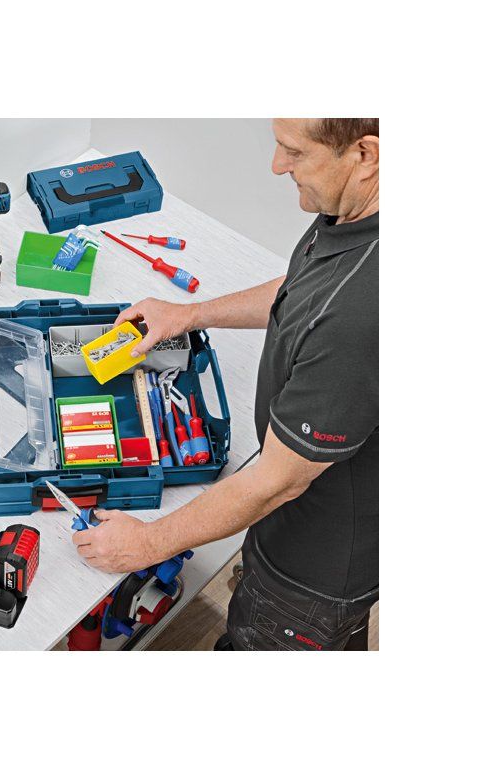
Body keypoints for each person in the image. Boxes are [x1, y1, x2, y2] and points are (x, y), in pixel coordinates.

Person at [73, 118, 379, 650]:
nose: (277, 166)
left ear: (364, 154)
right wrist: (189, 314)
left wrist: (148, 542)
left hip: (311, 573)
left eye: (294, 152)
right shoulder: (356, 212)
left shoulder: (364, 307)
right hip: (292, 517)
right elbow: (305, 288)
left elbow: (278, 482)